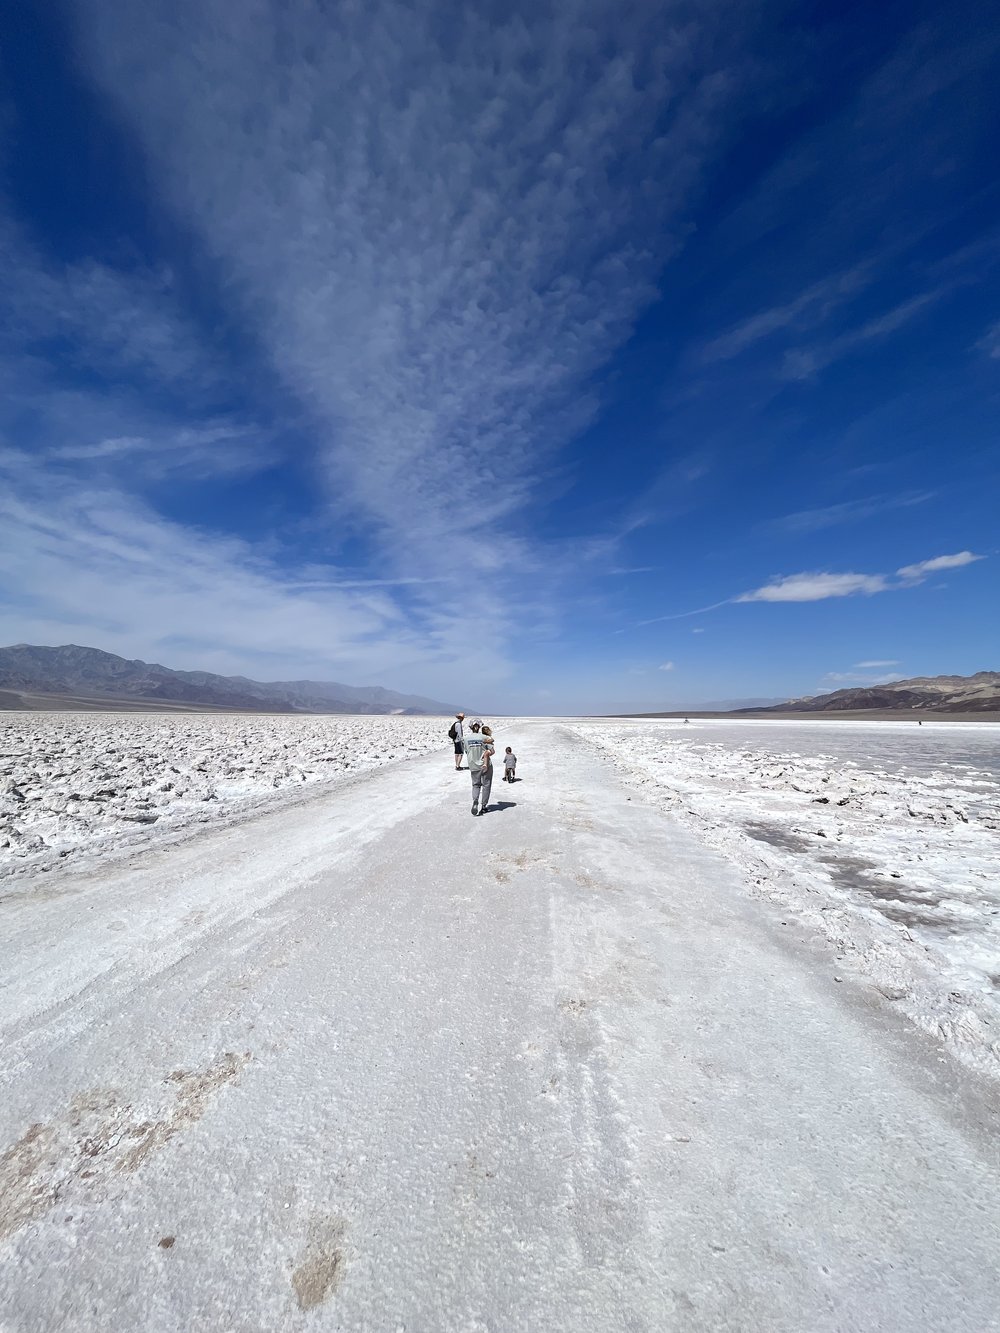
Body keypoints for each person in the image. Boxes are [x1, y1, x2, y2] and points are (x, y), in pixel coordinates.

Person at [462, 719, 495, 816]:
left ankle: (475, 800)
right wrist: (486, 753)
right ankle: (484, 806)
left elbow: (466, 751)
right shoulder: (485, 737)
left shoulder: (466, 738)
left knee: (476, 785)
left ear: (470, 727)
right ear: (479, 727)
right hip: (485, 765)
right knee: (486, 785)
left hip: (473, 765)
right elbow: (492, 751)